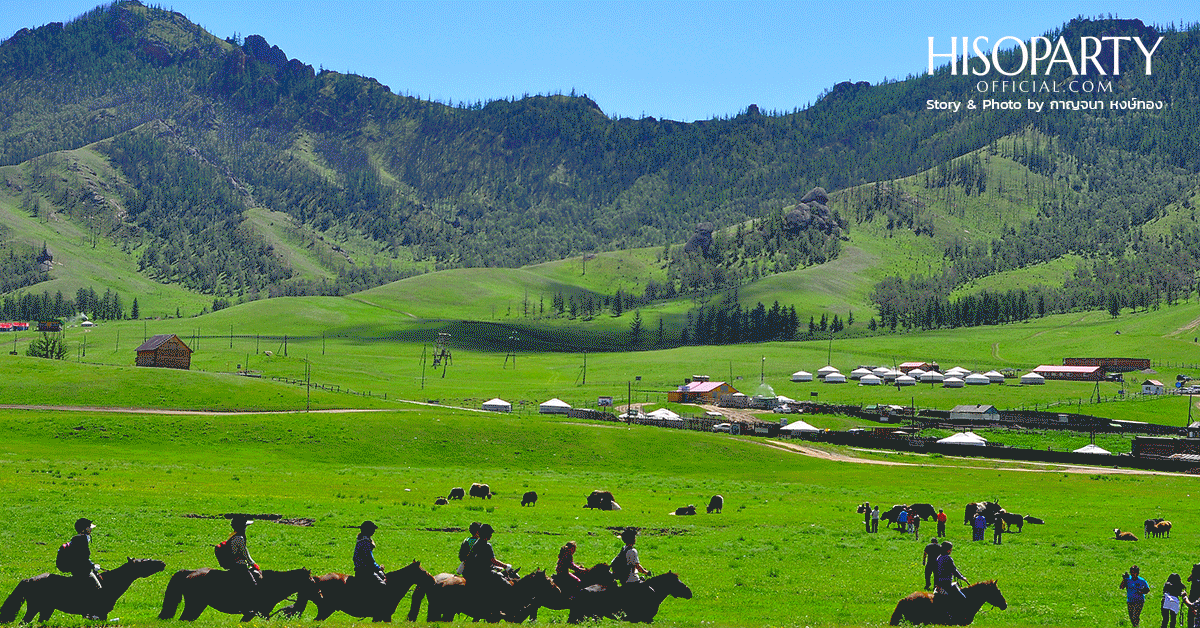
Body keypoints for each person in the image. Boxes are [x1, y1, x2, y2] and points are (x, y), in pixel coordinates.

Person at [463, 524, 510, 600]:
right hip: (484, 573)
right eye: (490, 534)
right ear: (487, 534)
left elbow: (481, 560)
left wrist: (494, 567)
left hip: (473, 572)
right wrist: (506, 566)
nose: (491, 535)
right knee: (507, 586)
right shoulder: (487, 545)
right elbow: (493, 560)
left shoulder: (476, 543)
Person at [66, 518, 102, 590]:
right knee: (98, 587)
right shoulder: (82, 540)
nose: (90, 529)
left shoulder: (80, 538)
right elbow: (82, 558)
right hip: (80, 570)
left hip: (79, 568)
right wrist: (93, 565)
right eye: (89, 527)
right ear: (83, 530)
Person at [226, 515, 260, 586]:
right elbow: (245, 554)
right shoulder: (240, 538)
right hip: (239, 566)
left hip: (233, 565)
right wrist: (253, 564)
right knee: (253, 584)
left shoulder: (232, 536)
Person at [934, 541, 968, 609]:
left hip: (939, 582)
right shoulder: (948, 558)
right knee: (963, 598)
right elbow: (954, 570)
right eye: (951, 549)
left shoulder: (939, 558)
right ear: (948, 550)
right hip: (946, 583)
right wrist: (962, 578)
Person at [354, 521, 386, 588]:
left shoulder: (361, 540)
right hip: (365, 571)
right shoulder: (365, 543)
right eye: (372, 530)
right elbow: (369, 560)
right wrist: (378, 568)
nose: (374, 531)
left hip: (361, 569)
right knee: (382, 585)